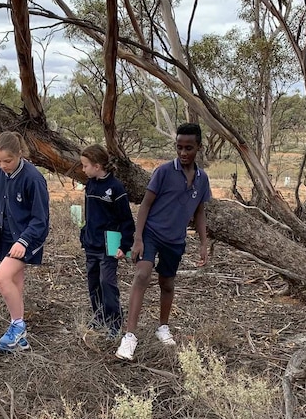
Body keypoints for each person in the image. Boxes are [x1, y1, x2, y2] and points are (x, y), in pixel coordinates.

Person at [115, 123, 211, 361]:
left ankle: (163, 327)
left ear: (199, 147)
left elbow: (199, 212)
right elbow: (145, 204)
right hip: (151, 234)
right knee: (142, 275)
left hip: (175, 240)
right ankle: (129, 336)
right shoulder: (164, 171)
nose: (183, 153)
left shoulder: (202, 179)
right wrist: (137, 239)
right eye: (179, 147)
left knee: (167, 283)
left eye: (188, 148)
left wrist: (203, 242)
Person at [0, 132, 50, 353]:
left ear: (20, 155)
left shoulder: (33, 178)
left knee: (2, 278)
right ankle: (20, 339)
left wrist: (24, 241)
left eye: (8, 160)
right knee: (14, 283)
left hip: (28, 238)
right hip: (5, 235)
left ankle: (18, 327)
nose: (3, 165)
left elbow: (41, 220)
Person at [79, 144, 135, 339]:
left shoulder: (115, 188)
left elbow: (126, 220)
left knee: (107, 282)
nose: (83, 169)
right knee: (93, 282)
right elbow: (89, 214)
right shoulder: (90, 185)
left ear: (97, 166)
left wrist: (125, 245)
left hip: (108, 247)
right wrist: (84, 234)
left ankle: (114, 322)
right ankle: (99, 316)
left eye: (85, 166)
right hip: (91, 244)